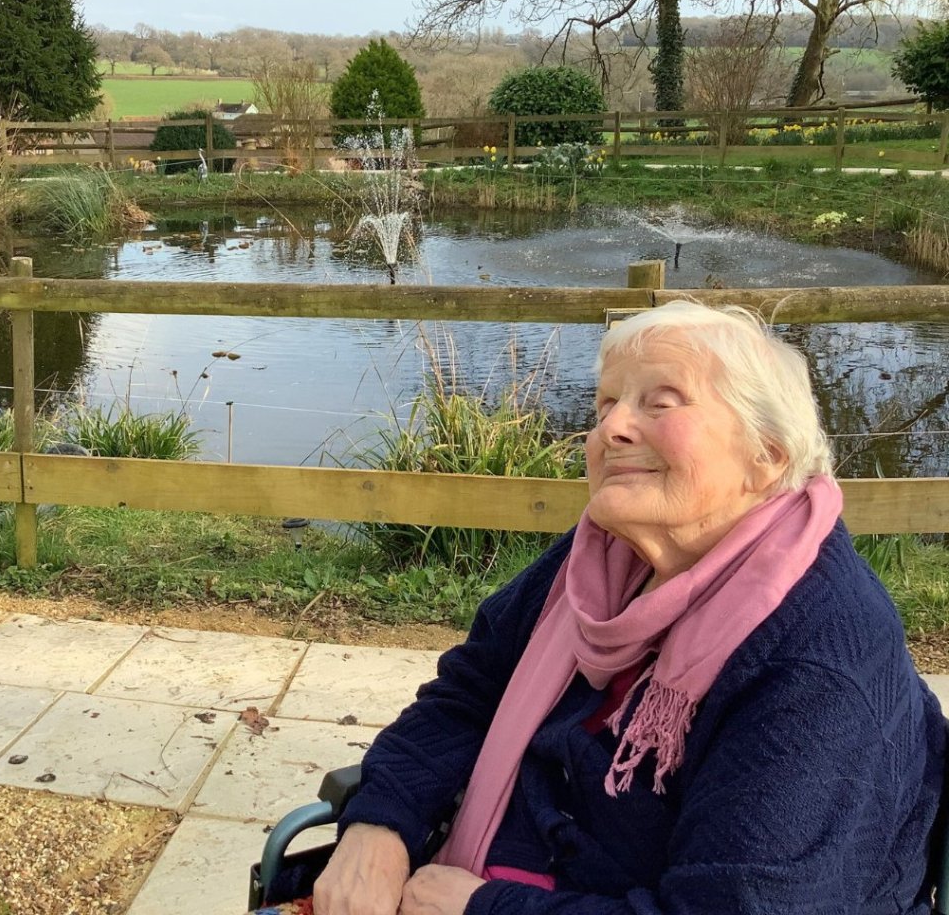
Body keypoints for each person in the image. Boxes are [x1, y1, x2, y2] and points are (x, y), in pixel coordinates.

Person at [313, 301, 946, 915]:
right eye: (606, 404)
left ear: (767, 456)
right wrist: (381, 821)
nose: (610, 428)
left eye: (659, 404)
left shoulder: (816, 661)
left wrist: (485, 906)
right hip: (473, 867)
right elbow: (471, 692)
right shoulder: (598, 559)